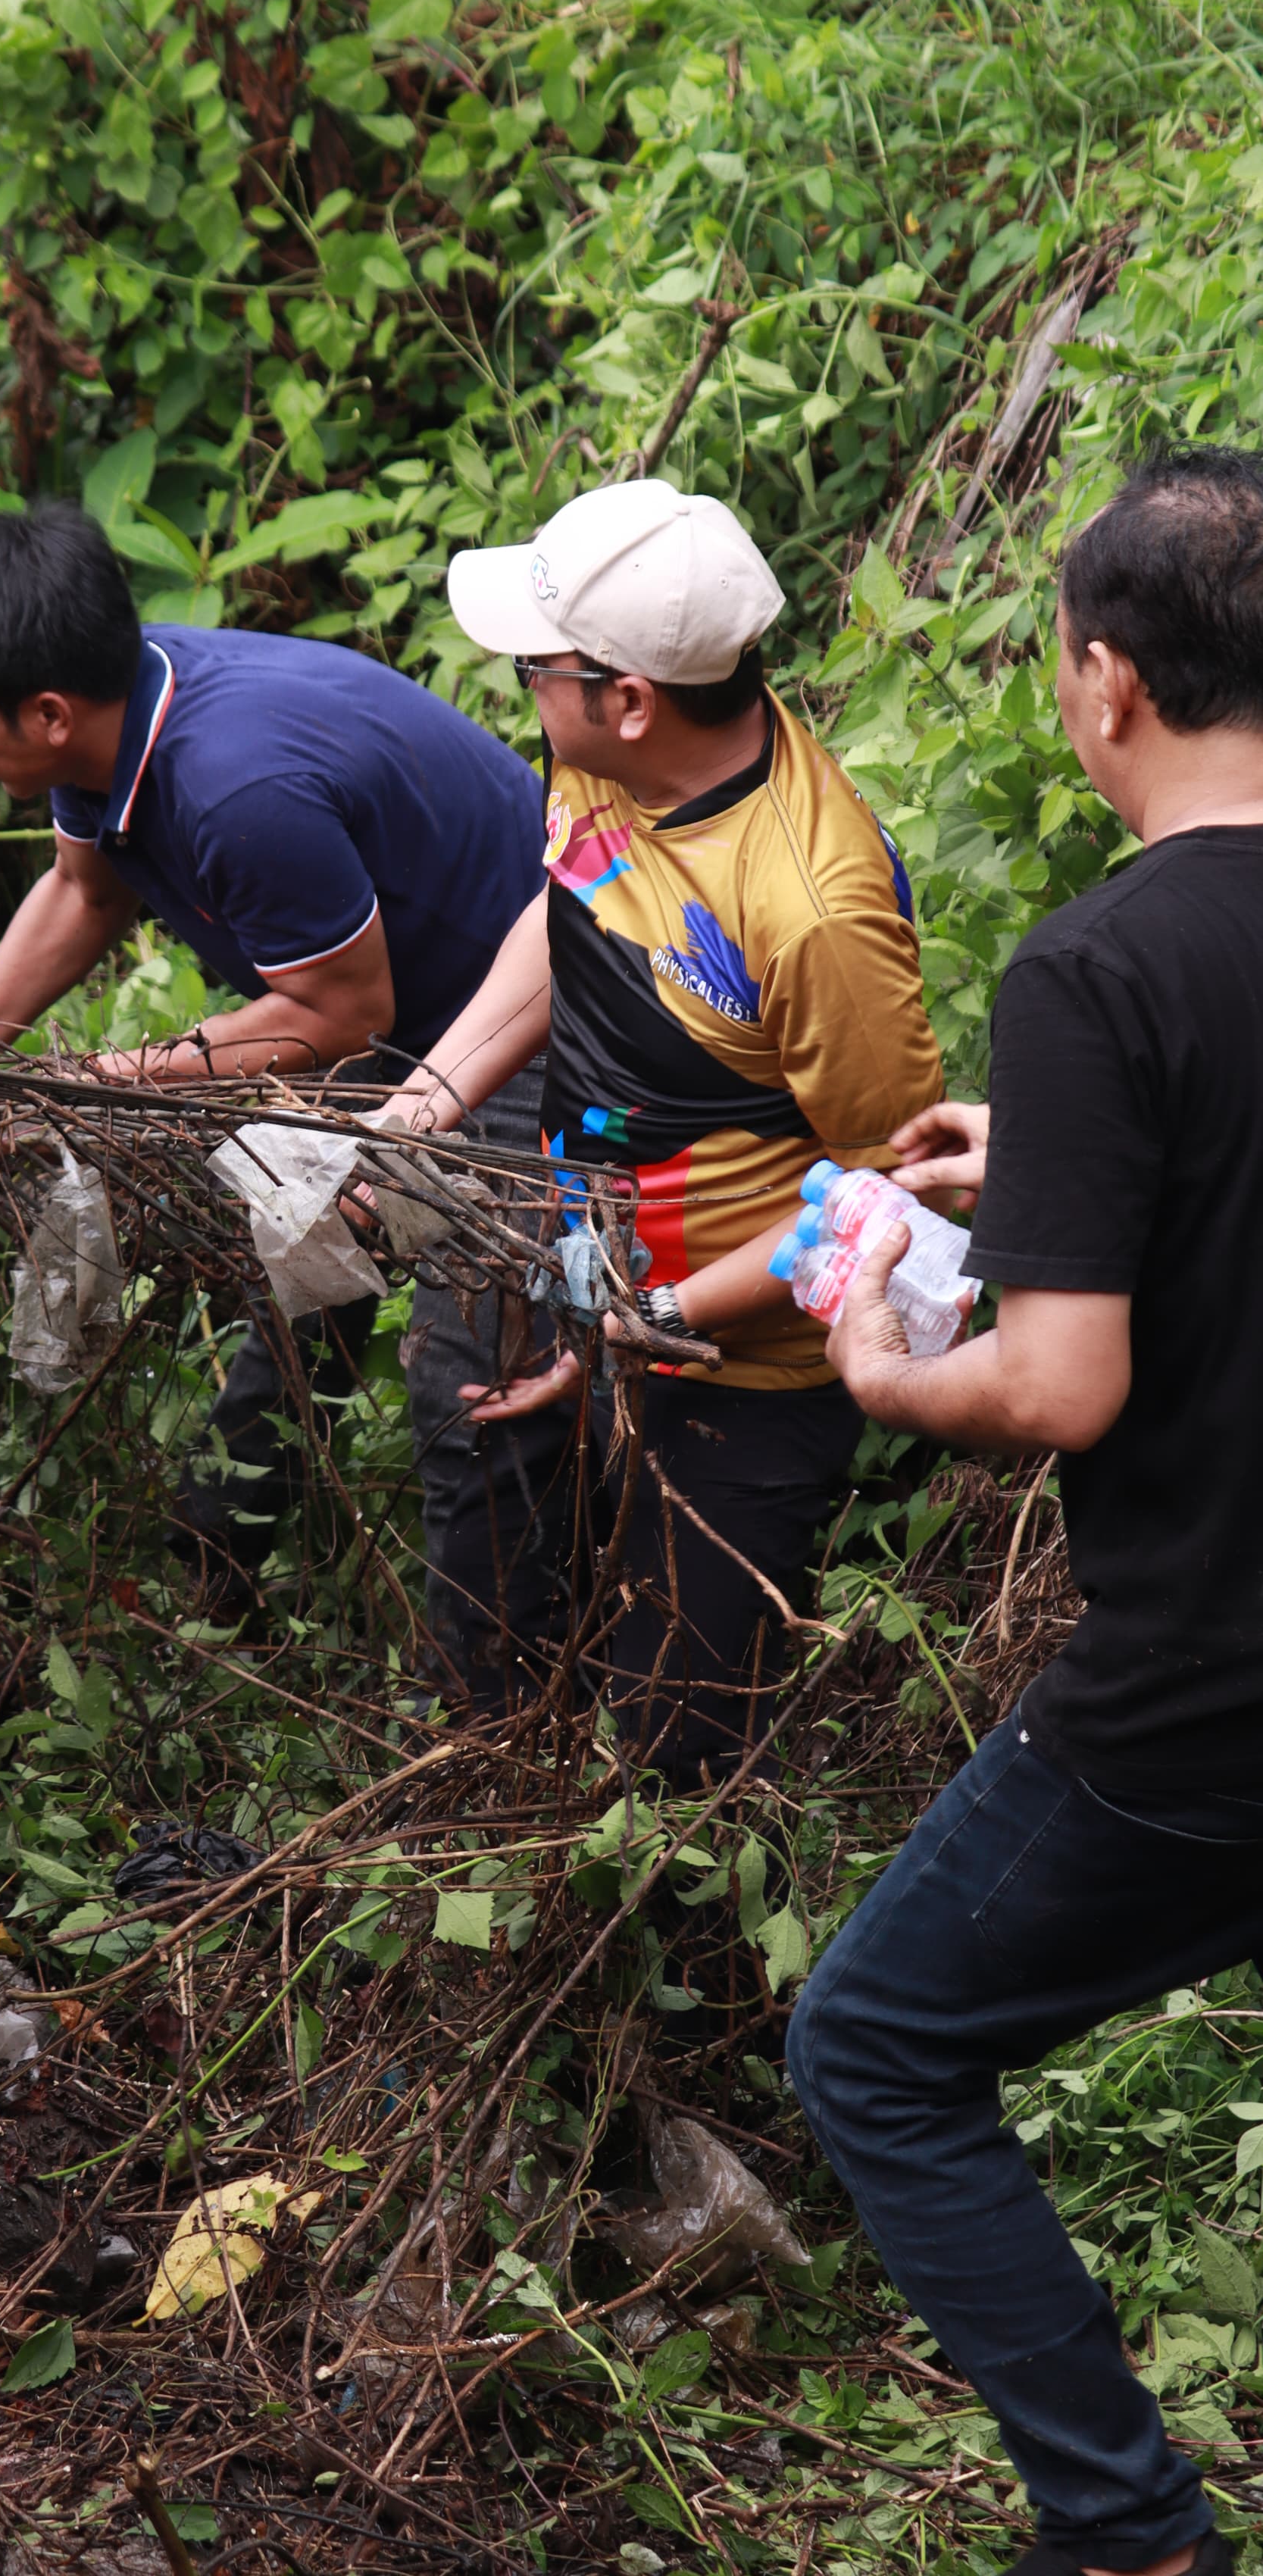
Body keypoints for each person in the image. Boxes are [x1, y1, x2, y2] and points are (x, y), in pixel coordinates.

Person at [786, 441, 1263, 2576]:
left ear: (1102, 686)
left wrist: (894, 1369)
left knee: (876, 2044)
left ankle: (1124, 2520)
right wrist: (1062, 1172)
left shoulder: (1101, 974)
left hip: (1208, 1680)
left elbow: (1065, 1383)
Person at [0, 504, 574, 1629]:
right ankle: (217, 1572)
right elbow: (83, 890)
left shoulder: (236, 790)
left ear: (45, 714)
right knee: (305, 1260)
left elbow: (345, 1013)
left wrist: (110, 1076)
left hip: (524, 1015)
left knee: (475, 1369)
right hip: (401, 1003)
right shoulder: (117, 713)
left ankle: (492, 1695)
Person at [378, 475, 944, 1778]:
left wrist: (668, 1320)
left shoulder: (810, 907)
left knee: (676, 1758)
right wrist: (420, 1112)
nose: (520, 684)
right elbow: (570, 908)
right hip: (610, 1289)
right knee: (507, 1636)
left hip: (747, 1367)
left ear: (626, 696)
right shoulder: (611, 763)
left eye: (536, 666)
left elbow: (898, 1188)